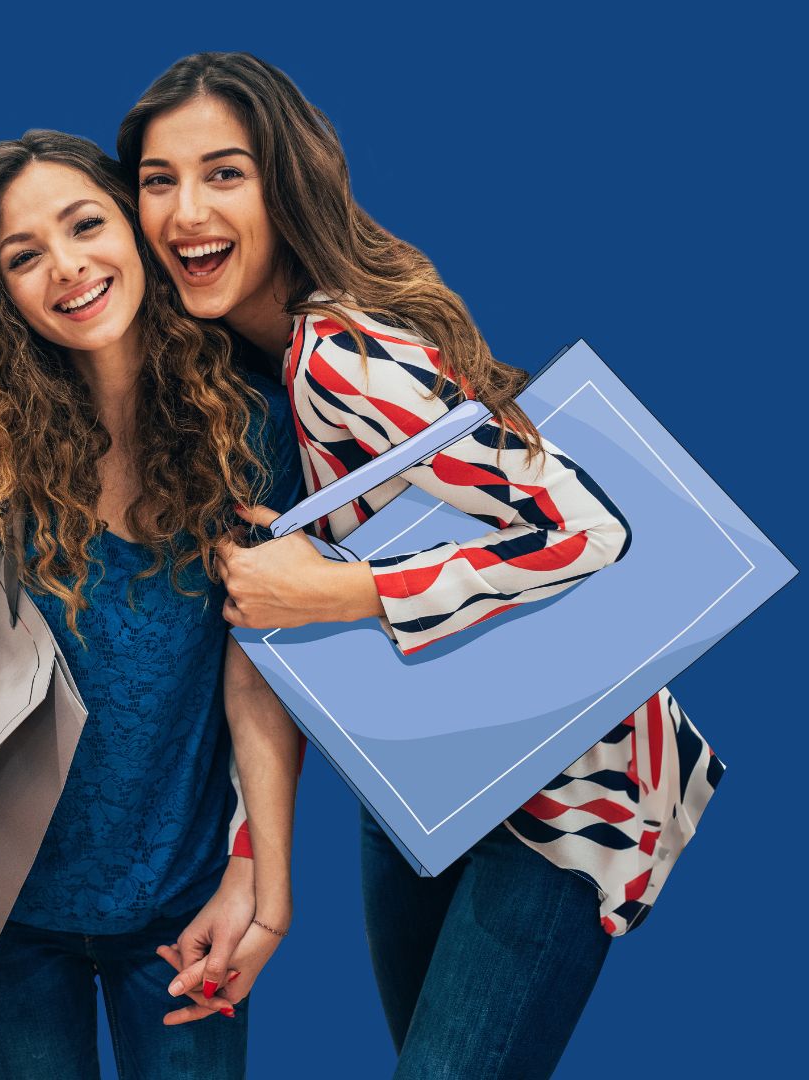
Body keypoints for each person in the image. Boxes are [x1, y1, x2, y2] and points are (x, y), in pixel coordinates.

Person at [118, 53, 725, 1079]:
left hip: (559, 787)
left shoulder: (341, 356)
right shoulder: (241, 378)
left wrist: (340, 589)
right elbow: (259, 651)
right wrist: (251, 864)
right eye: (158, 179)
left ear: (286, 184)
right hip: (428, 772)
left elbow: (591, 528)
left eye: (225, 172)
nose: (185, 211)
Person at [0, 129, 304, 1080]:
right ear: (0, 291)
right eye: (24, 257)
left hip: (183, 907)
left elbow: (263, 666)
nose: (67, 267)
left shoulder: (247, 427)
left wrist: (264, 875)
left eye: (86, 224)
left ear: (136, 228)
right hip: (2, 911)